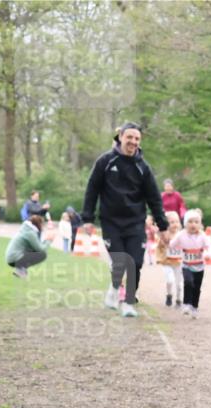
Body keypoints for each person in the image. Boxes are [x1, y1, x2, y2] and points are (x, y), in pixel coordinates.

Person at [81, 121, 168, 318]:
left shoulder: (143, 167)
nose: (133, 142)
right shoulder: (105, 162)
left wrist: (162, 225)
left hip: (135, 222)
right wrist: (87, 218)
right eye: (129, 137)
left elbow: (154, 197)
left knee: (135, 262)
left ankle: (129, 301)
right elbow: (92, 189)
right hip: (111, 221)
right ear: (120, 137)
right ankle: (114, 289)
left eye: (137, 139)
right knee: (120, 262)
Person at [169, 209, 208, 318]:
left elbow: (209, 246)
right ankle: (186, 304)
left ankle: (194, 307)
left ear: (200, 224)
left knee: (197, 287)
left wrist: (209, 253)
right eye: (190, 222)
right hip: (187, 265)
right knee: (188, 282)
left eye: (196, 222)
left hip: (200, 266)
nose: (193, 225)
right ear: (185, 223)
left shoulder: (203, 235)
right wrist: (174, 244)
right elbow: (172, 244)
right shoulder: (181, 235)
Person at [157, 212, 184, 308]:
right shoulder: (165, 235)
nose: (175, 224)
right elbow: (159, 245)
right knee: (170, 280)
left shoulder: (182, 234)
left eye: (176, 221)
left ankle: (179, 300)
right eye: (172, 222)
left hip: (178, 262)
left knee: (179, 283)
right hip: (167, 262)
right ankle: (169, 295)